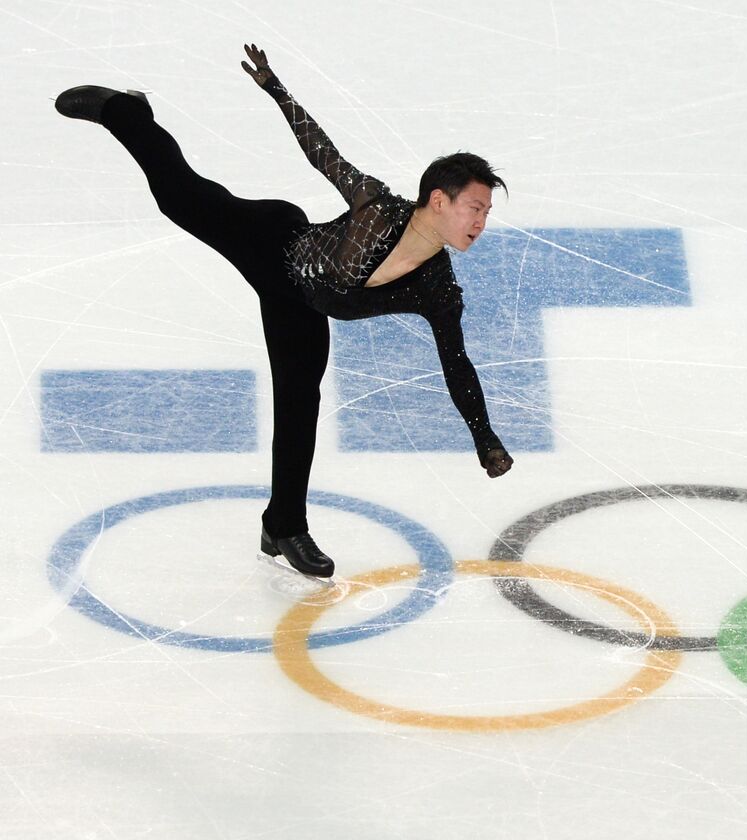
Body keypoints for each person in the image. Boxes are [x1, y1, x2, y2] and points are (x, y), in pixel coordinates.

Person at [54, 44, 513, 579]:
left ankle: (283, 525)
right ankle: (125, 111)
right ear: (438, 200)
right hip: (270, 241)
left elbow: (457, 363)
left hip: (298, 302)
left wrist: (485, 439)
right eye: (474, 207)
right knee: (179, 196)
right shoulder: (377, 208)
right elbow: (322, 152)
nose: (481, 222)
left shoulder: (437, 288)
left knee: (299, 401)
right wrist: (276, 88)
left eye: (486, 212)